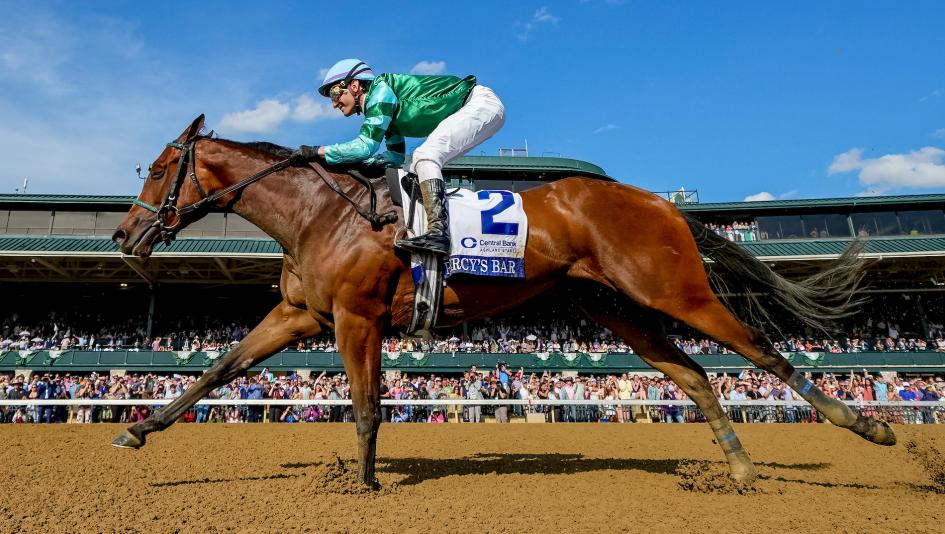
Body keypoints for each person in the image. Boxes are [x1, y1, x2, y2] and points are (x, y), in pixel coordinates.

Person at [292, 58, 506, 257]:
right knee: (413, 169)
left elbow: (365, 147)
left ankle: (439, 232)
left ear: (354, 86)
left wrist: (317, 151)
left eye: (334, 93)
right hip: (478, 107)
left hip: (479, 104)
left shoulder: (380, 93)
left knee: (425, 156)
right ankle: (436, 228)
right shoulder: (383, 109)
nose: (334, 103)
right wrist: (361, 163)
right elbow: (395, 157)